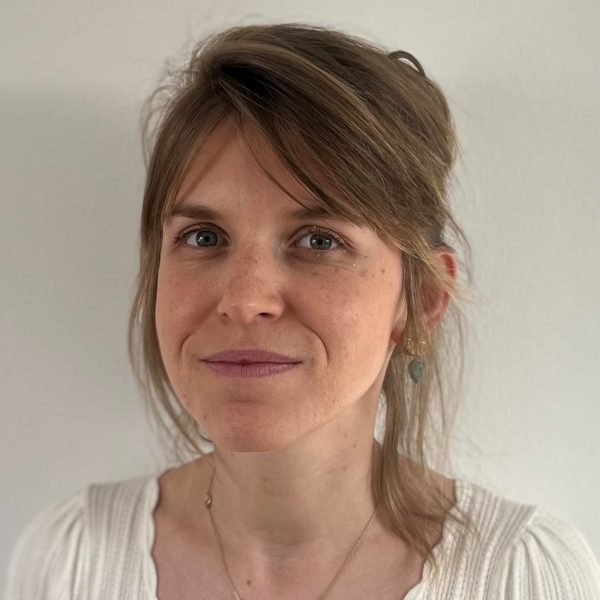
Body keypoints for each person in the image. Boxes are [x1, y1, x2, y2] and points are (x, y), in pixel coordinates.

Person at [4, 22, 600, 600]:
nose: (244, 301)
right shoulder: (69, 561)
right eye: (204, 237)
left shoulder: (524, 577)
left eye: (318, 240)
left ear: (421, 299)